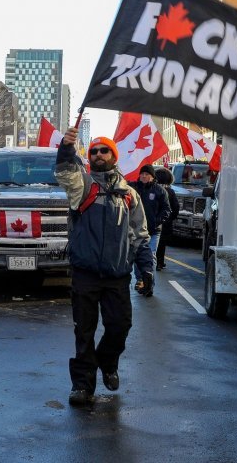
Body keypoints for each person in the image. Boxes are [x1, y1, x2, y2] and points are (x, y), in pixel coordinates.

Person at [54, 128, 153, 407]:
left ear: (113, 155)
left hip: (117, 276)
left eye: (104, 150)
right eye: (94, 151)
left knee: (120, 326)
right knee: (83, 331)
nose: (98, 155)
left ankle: (108, 362)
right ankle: (82, 385)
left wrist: (145, 271)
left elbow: (140, 236)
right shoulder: (82, 187)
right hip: (85, 274)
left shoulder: (130, 195)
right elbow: (64, 172)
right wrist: (66, 147)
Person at [129, 164, 169, 296]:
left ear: (152, 177)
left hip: (153, 231)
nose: (144, 176)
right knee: (138, 255)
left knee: (151, 255)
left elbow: (166, 210)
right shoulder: (133, 188)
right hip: (137, 230)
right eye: (142, 174)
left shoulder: (160, 191)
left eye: (147, 174)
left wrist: (157, 221)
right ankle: (140, 280)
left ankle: (149, 283)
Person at [155, 167, 180, 272]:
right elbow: (176, 207)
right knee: (162, 243)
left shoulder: (152, 189)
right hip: (165, 222)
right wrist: (171, 218)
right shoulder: (170, 191)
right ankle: (160, 262)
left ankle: (152, 261)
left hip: (152, 221)